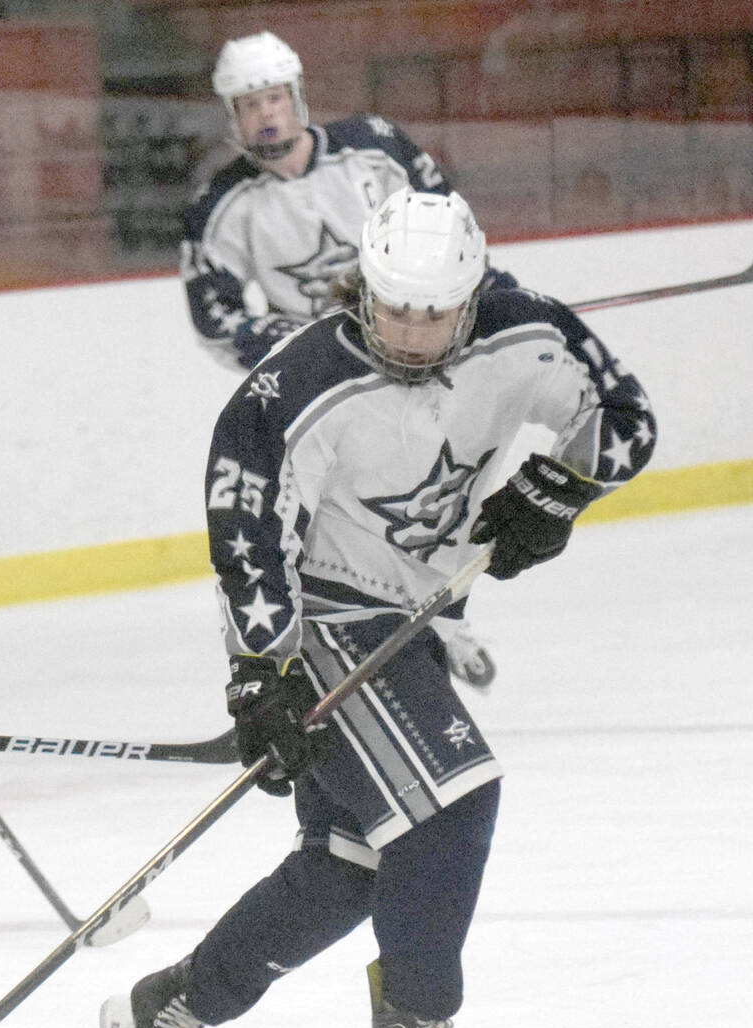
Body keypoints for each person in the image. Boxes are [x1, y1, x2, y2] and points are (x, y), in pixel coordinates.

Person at [101, 188, 655, 1028]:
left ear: (470, 295)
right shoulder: (296, 384)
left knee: (352, 862)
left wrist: (558, 489)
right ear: (364, 284)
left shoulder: (526, 332)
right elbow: (247, 535)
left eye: (434, 313)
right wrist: (262, 674)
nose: (410, 330)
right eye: (393, 306)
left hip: (413, 614)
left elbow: (626, 416)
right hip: (322, 616)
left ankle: (179, 1002)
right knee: (455, 802)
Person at [181, 30, 509, 690]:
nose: (265, 113)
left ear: (298, 96)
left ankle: (446, 622)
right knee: (331, 521)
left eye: (274, 97)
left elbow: (450, 224)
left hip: (414, 360)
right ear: (231, 116)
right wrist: (302, 340)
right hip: (325, 388)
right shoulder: (220, 206)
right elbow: (215, 319)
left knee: (434, 495)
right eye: (249, 104)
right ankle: (301, 641)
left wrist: (484, 295)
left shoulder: (375, 148)